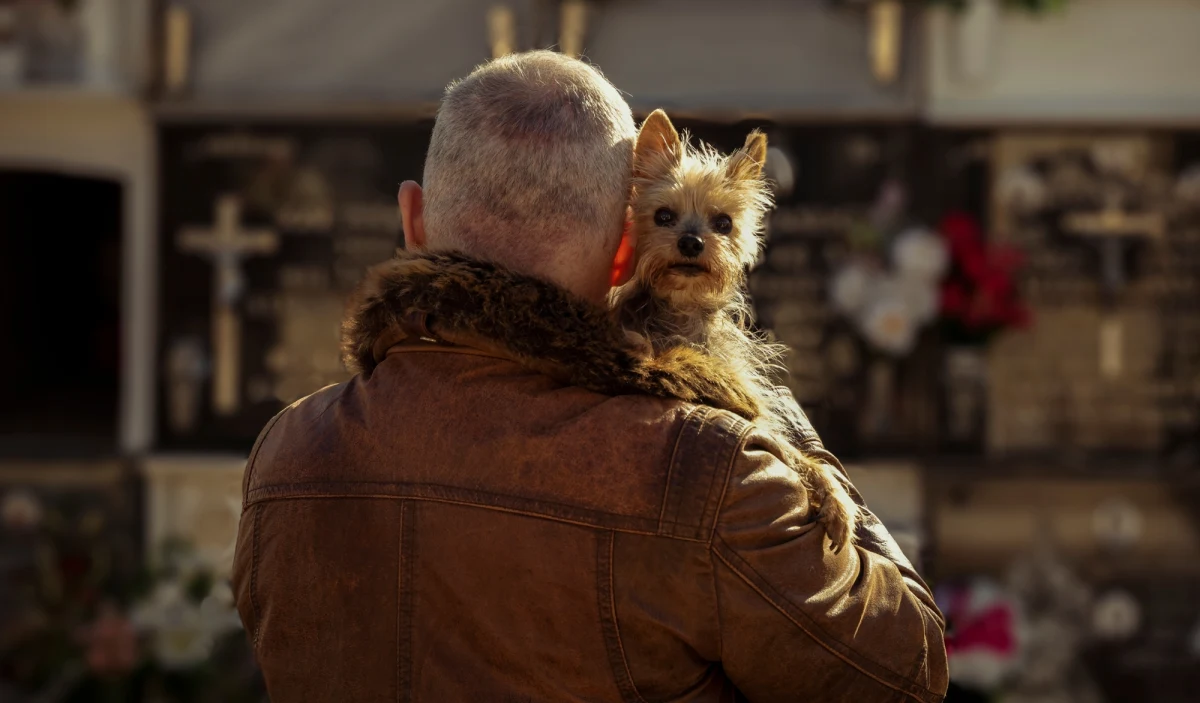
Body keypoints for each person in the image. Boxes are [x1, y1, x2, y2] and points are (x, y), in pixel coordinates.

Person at [231, 51, 948, 703]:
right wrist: (785, 428)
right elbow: (907, 673)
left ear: (412, 219)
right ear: (623, 250)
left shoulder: (286, 455)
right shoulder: (708, 471)